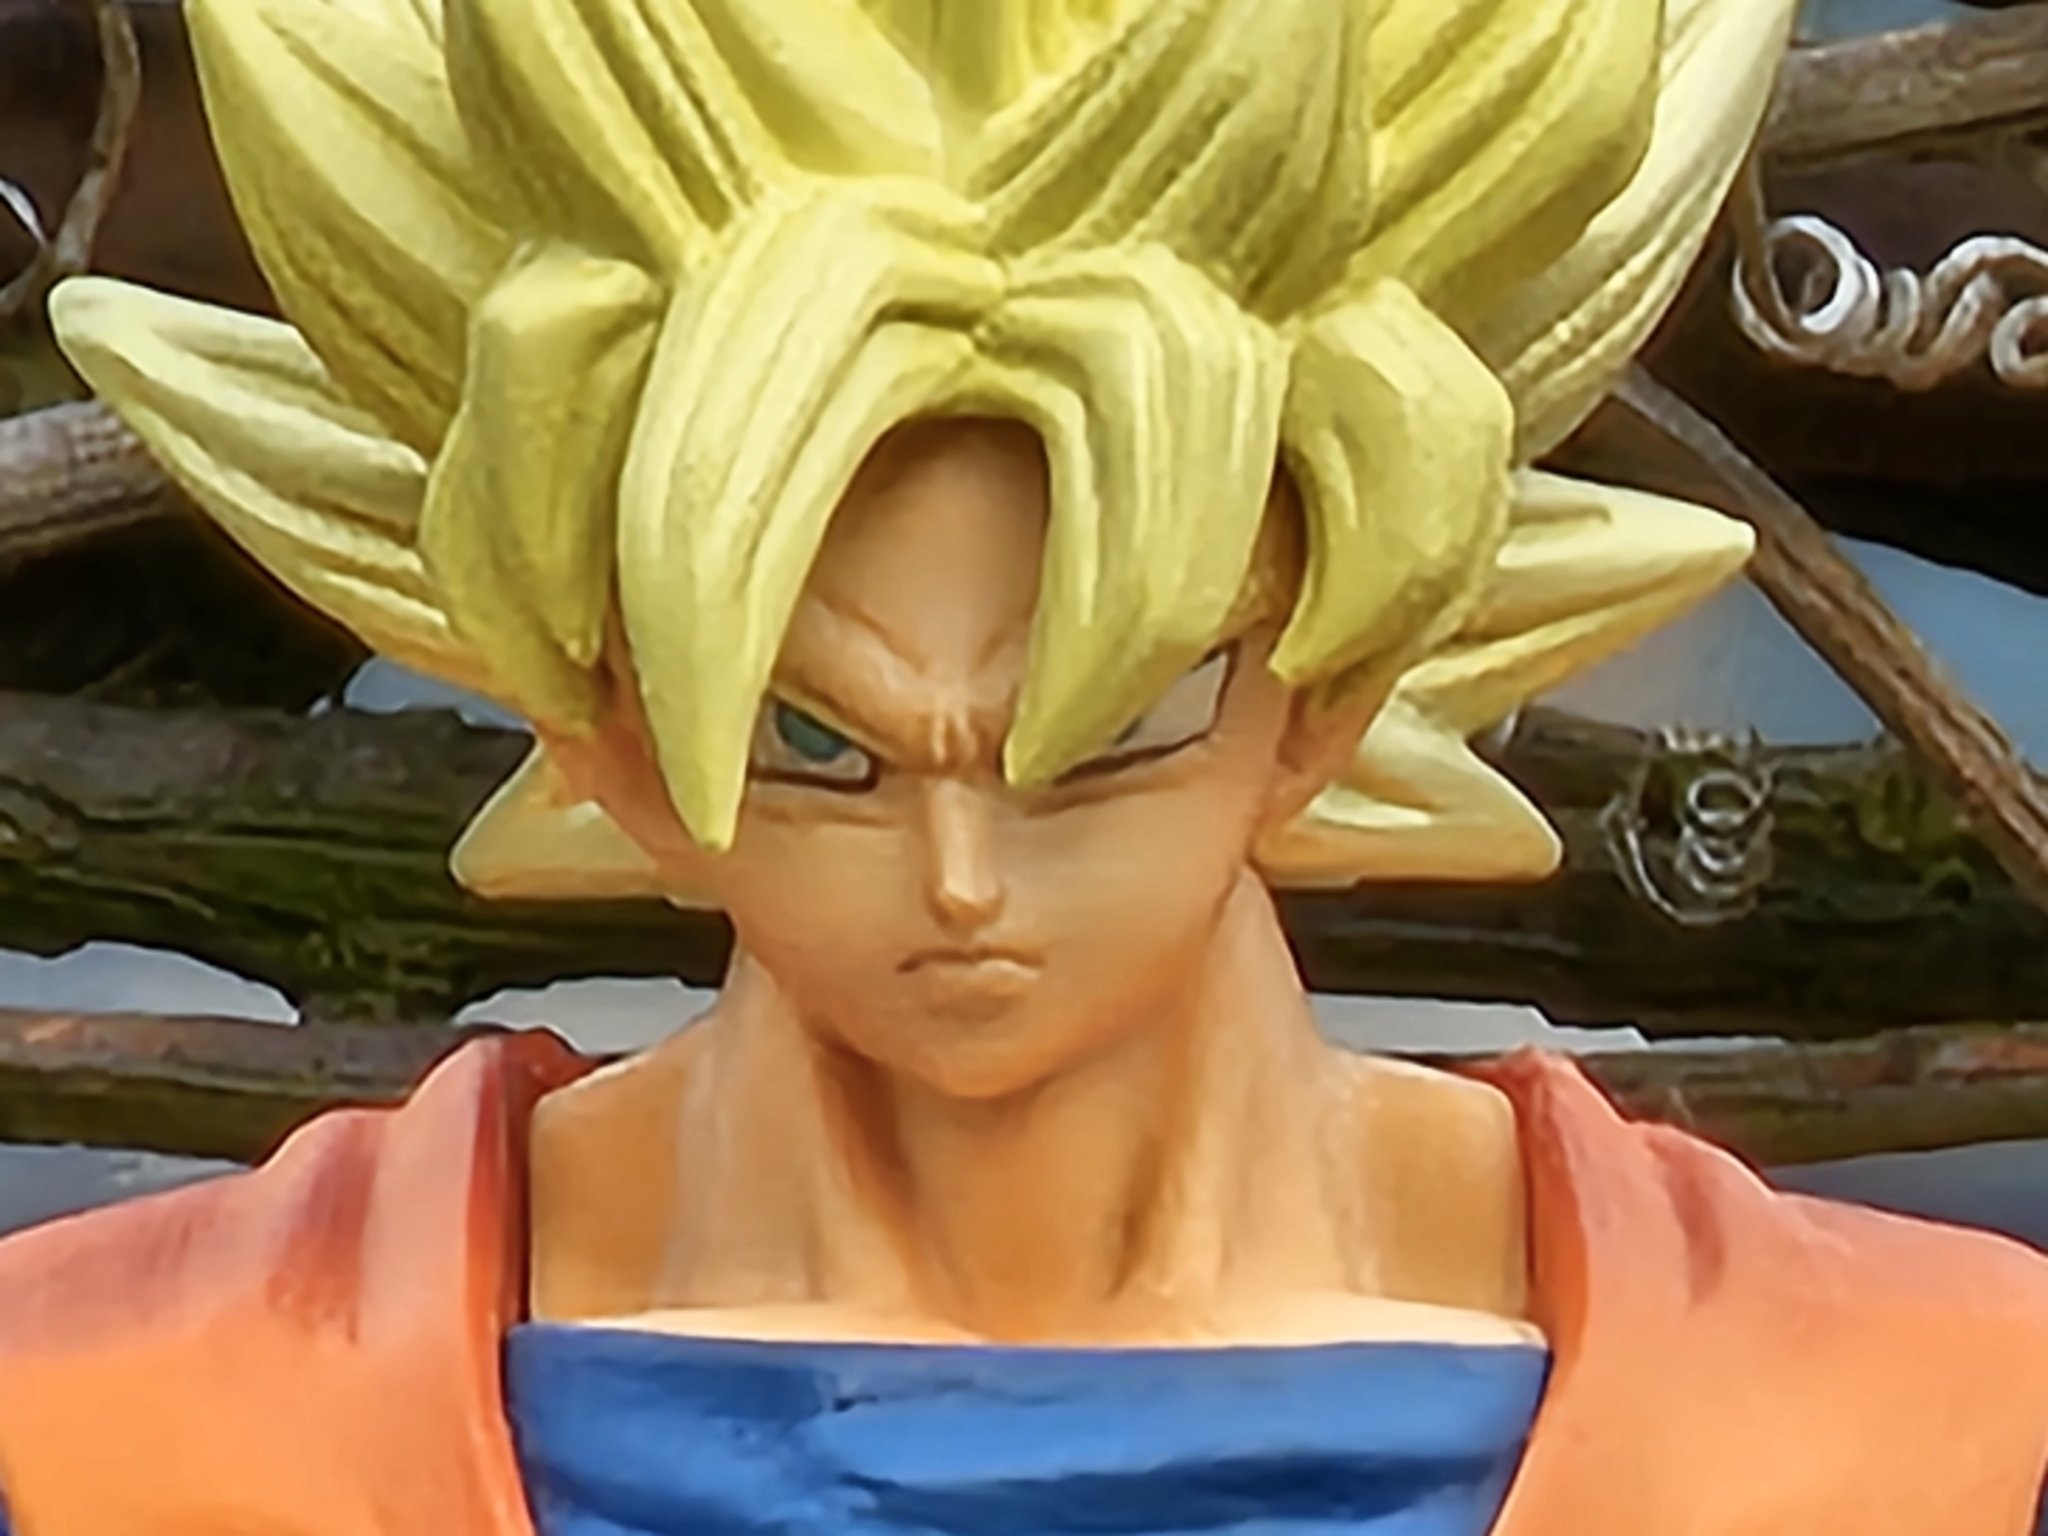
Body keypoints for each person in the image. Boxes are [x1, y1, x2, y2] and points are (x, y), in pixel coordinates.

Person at [5, 0, 2048, 1532]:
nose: (962, 876)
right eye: (820, 746)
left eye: (1106, 739)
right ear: (604, 734)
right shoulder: (131, 1416)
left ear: (1328, 695)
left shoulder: (1902, 1426)